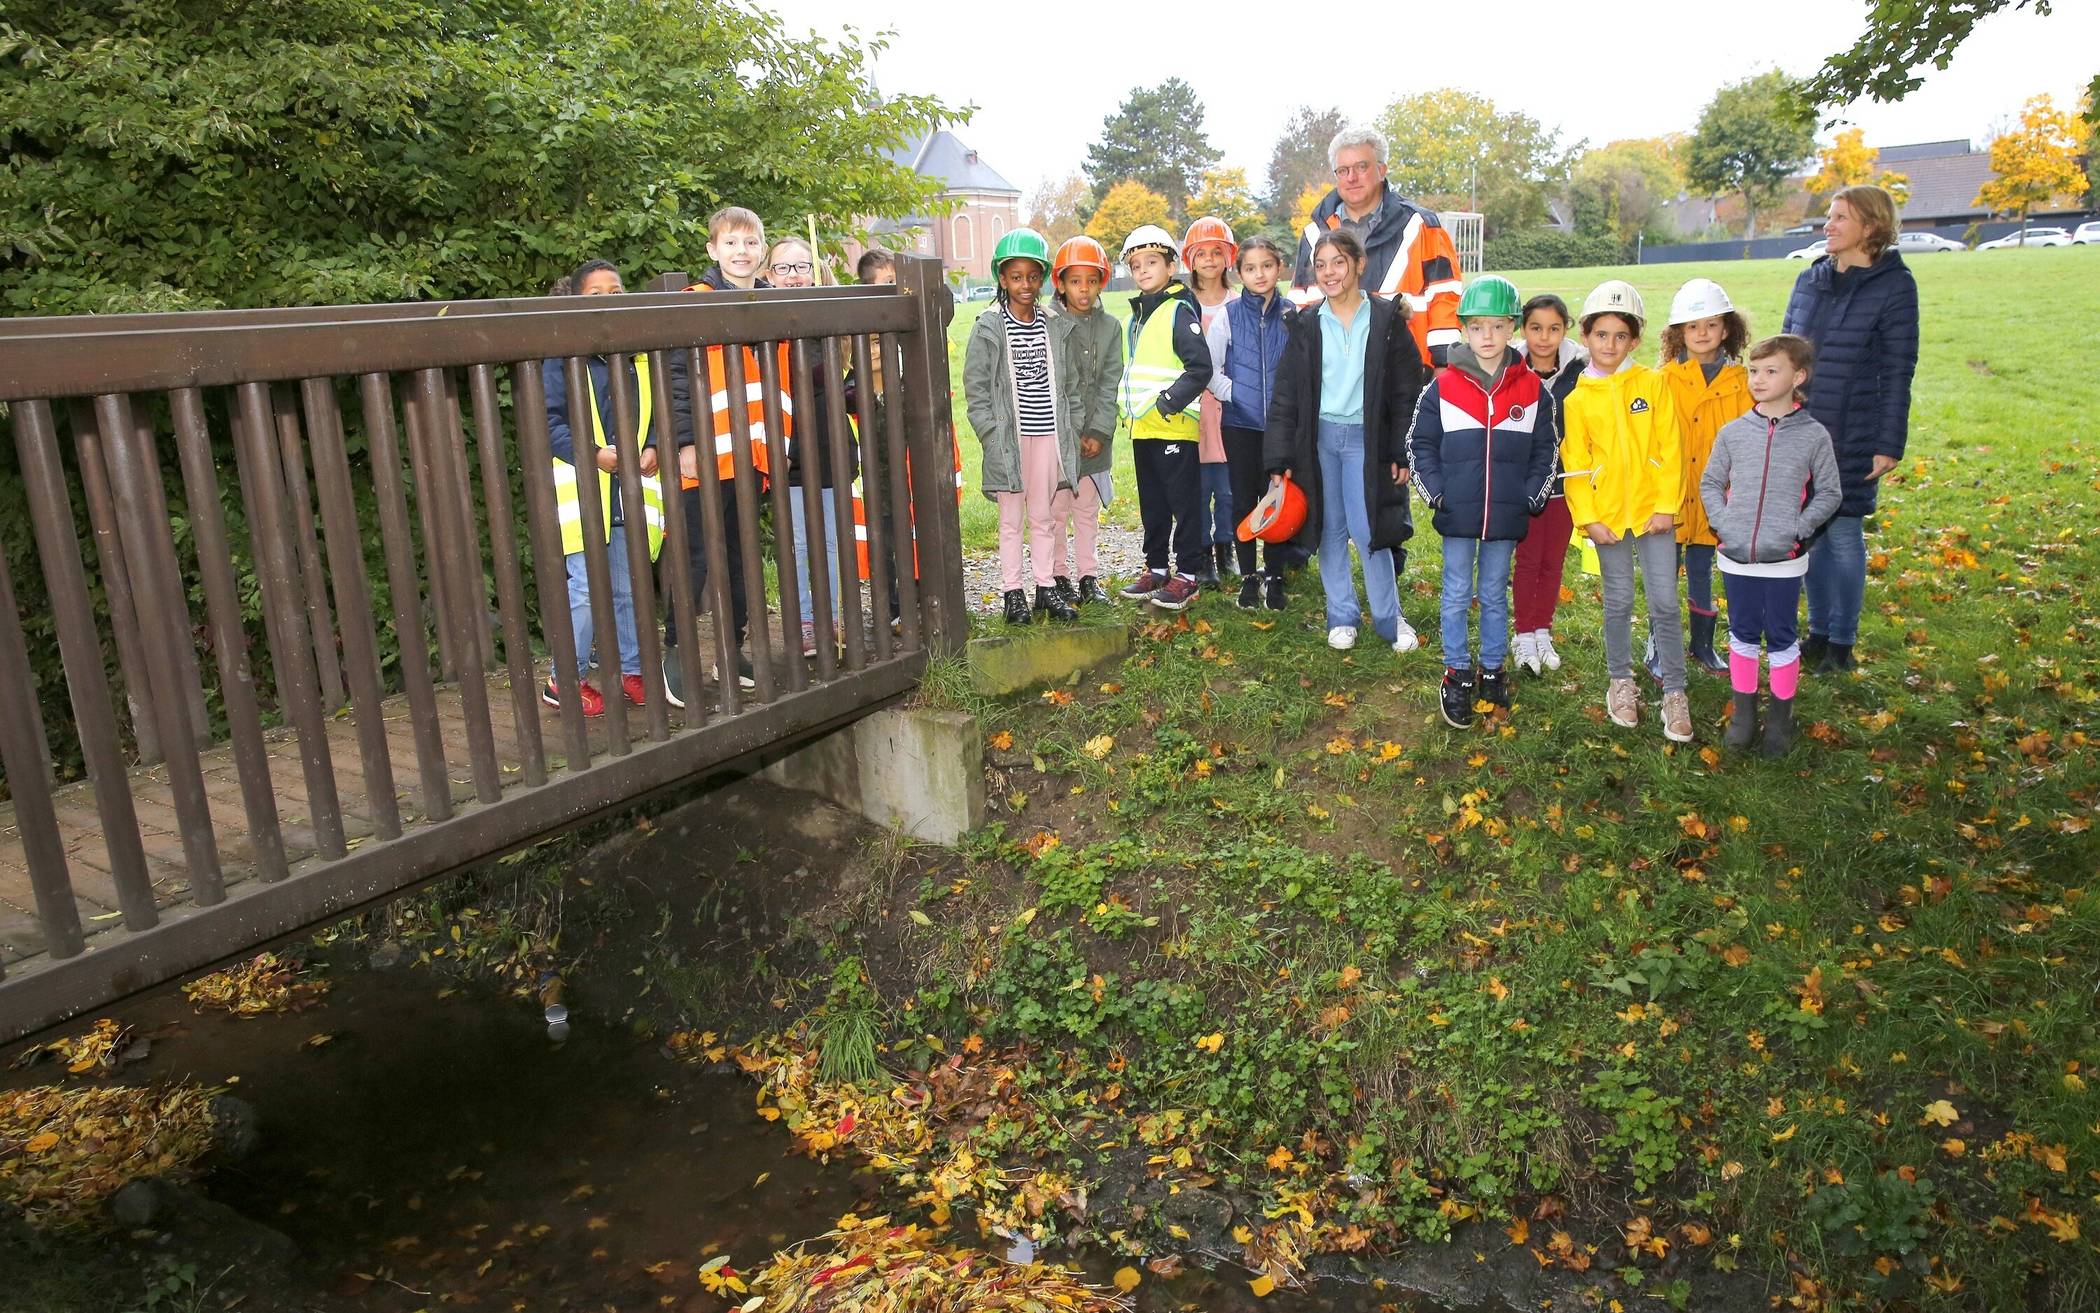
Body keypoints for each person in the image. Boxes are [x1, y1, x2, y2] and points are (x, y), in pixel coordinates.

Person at [1406, 275, 1557, 728]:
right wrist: (1437, 493)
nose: (1487, 337)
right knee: (1455, 594)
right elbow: (1419, 444)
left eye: (1496, 326)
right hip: (1458, 513)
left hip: (1507, 515)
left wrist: (1530, 495)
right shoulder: (1442, 387)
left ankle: (1492, 668)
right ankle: (1457, 672)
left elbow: (1546, 449)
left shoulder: (1532, 390)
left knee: (1493, 594)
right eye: (1477, 327)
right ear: (1464, 329)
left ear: (1511, 327)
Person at [1263, 228, 1424, 654]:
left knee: (1369, 526)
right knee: (1330, 528)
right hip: (1319, 441)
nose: (1329, 272)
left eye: (1338, 262)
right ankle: (1342, 615)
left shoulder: (1387, 321)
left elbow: (1407, 391)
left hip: (1365, 441)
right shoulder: (1307, 324)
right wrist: (1280, 456)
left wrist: (1399, 448)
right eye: (1320, 265)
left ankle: (1391, 620)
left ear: (1358, 264)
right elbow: (1286, 394)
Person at [1783, 184, 1919, 674]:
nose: (1828, 224)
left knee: (1841, 534)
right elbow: (1785, 355)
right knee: (1809, 535)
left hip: (1855, 430)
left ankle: (1842, 642)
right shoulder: (1809, 279)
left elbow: (1899, 368)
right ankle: (1817, 632)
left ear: (1871, 227)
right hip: (1803, 428)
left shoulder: (1894, 285)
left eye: (1841, 217)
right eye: (1829, 215)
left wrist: (1888, 442)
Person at [1560, 280, 1693, 743]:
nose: (1610, 345)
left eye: (1621, 336)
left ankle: (1675, 690)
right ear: (1586, 336)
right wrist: (1589, 517)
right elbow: (1574, 465)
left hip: (1654, 516)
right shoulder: (1577, 400)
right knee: (1617, 602)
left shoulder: (1652, 385)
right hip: (1608, 518)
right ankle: (1621, 680)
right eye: (1601, 335)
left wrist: (1664, 506)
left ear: (1635, 339)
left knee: (1663, 603)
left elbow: (1670, 449)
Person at [541, 259, 672, 715]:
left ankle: (631, 672)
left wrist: (653, 444)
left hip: (627, 492)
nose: (607, 302)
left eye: (615, 293)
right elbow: (549, 422)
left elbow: (654, 412)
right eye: (595, 294)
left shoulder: (635, 355)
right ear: (575, 302)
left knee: (628, 586)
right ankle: (564, 678)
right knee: (585, 589)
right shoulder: (561, 357)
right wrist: (594, 454)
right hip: (585, 493)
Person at [1701, 335, 1841, 757]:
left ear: (1798, 377)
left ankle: (1780, 720)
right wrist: (1725, 526)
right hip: (1737, 557)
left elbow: (1830, 493)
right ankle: (1744, 716)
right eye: (1753, 371)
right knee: (1742, 633)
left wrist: (1799, 530)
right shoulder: (1733, 433)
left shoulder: (1813, 436)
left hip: (1785, 559)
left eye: (1770, 371)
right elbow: (1710, 483)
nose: (1758, 380)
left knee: (1781, 636)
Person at [667, 205, 777, 699]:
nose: (741, 251)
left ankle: (731, 651)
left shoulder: (769, 303)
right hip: (706, 457)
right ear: (712, 250)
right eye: (731, 243)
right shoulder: (696, 302)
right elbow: (677, 381)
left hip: (749, 457)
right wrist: (685, 442)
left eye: (750, 243)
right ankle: (676, 655)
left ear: (762, 252)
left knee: (738, 558)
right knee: (693, 558)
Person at [964, 228, 1080, 626]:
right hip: (1010, 440)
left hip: (1049, 434)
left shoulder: (1054, 324)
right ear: (1002, 278)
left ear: (1043, 277)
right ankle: (1013, 593)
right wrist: (991, 435)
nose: (1025, 285)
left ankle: (1045, 587)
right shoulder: (989, 326)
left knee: (1044, 515)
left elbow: (1070, 385)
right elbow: (975, 389)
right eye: (1016, 277)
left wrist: (1070, 427)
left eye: (1033, 276)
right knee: (1012, 519)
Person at [1289, 124, 1463, 367]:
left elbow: (1445, 298)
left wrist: (1443, 365)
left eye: (1362, 167)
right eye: (1343, 170)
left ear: (1382, 170)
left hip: (1405, 370)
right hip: (1335, 373)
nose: (1351, 178)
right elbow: (1300, 306)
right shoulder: (1314, 233)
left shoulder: (1421, 225)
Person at [1650, 278, 1751, 679]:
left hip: (1716, 500)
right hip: (1671, 498)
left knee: (1703, 569)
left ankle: (1703, 644)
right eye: (1693, 326)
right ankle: (1659, 644)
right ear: (1679, 333)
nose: (1703, 334)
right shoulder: (1663, 381)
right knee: (1663, 574)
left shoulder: (1742, 383)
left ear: (1727, 329)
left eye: (1711, 325)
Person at [1115, 224, 1213, 612]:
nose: (1143, 270)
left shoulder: (1178, 311)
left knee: (1184, 503)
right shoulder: (1132, 321)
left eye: (1151, 261)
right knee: (1152, 504)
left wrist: (1169, 402)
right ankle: (1156, 567)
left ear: (1171, 266)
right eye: (1135, 264)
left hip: (1173, 426)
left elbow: (1200, 367)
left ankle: (1187, 575)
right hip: (1143, 429)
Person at [768, 236, 852, 657]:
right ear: (769, 277)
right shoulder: (765, 331)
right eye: (783, 269)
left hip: (830, 447)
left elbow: (843, 378)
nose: (794, 276)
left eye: (802, 267)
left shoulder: (829, 325)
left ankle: (832, 619)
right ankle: (805, 622)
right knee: (801, 542)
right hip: (790, 453)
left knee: (834, 541)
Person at [1213, 235, 1295, 609]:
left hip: (1280, 427)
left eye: (1266, 266)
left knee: (1277, 500)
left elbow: (1301, 371)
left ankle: (1275, 575)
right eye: (1250, 268)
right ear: (1239, 273)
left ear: (1279, 267)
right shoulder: (1227, 316)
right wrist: (1237, 394)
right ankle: (1249, 576)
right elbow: (1209, 369)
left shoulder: (1293, 315)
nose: (1259, 274)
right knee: (1244, 500)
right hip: (1240, 425)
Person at [1509, 294, 1583, 674]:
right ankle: (1522, 633)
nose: (1544, 337)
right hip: (1525, 483)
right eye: (1536, 328)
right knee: (1528, 560)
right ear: (1524, 329)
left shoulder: (1581, 368)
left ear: (1565, 330)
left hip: (1566, 481)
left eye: (1554, 328)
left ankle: (1542, 629)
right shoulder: (1509, 368)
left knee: (1553, 562)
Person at [1046, 235, 1121, 607]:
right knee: (1056, 509)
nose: (1084, 289)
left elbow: (1110, 383)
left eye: (1092, 281)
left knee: (1087, 509)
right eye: (1075, 281)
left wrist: (1098, 432)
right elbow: (1055, 384)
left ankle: (1089, 577)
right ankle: (1058, 576)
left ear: (1102, 282)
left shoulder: (1111, 328)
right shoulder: (1048, 325)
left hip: (1094, 441)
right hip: (1059, 439)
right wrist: (1070, 433)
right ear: (1060, 282)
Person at [1183, 216, 1238, 588]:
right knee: (1198, 486)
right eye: (1200, 253)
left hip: (1230, 407)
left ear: (1228, 257)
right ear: (1190, 259)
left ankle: (1226, 545)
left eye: (1216, 251)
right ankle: (1201, 553)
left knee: (1229, 485)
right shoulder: (1182, 304)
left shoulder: (1237, 303)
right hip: (1193, 407)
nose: (1208, 259)